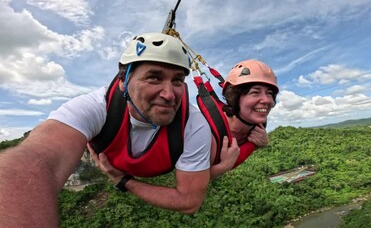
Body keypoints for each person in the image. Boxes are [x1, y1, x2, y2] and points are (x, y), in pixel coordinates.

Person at [0, 33, 233, 227]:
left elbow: (189, 201)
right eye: (153, 78)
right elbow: (36, 161)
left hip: (143, 166)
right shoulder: (96, 107)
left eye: (177, 80)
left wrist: (123, 181)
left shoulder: (193, 124)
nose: (169, 94)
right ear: (123, 81)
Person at [208, 59, 279, 179]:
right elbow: (190, 181)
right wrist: (224, 166)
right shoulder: (209, 133)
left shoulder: (257, 126)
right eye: (255, 93)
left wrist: (261, 143)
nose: (267, 100)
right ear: (235, 99)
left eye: (270, 94)